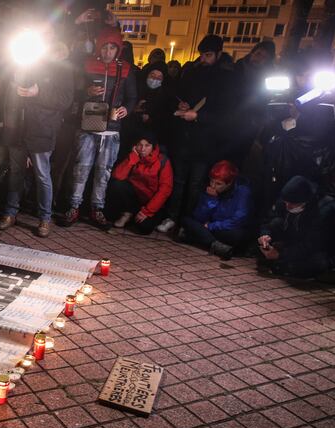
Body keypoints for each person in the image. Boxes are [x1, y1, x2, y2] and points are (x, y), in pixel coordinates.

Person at [156, 34, 234, 233]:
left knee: (196, 184)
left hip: (204, 142)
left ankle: (188, 221)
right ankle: (172, 217)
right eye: (202, 55)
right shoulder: (193, 72)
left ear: (218, 54)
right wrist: (182, 104)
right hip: (184, 139)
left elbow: (225, 113)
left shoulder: (226, 78)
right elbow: (181, 93)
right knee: (179, 181)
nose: (203, 59)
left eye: (208, 55)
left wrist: (198, 116)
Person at [0, 40, 74, 237]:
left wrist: (38, 93)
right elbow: (9, 95)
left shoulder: (63, 71)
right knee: (15, 173)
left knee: (42, 176)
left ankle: (45, 218)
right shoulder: (24, 65)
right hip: (17, 129)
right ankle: (10, 213)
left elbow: (65, 101)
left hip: (42, 129)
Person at [61, 26, 137, 228]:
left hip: (111, 130)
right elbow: (73, 93)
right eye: (105, 47)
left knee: (104, 171)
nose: (108, 52)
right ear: (99, 47)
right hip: (87, 127)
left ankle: (97, 209)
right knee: (81, 169)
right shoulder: (87, 65)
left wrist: (126, 110)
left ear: (118, 49)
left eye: (112, 48)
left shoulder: (126, 69)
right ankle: (74, 207)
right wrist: (87, 91)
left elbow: (132, 97)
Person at [258, 175, 335, 278]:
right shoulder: (286, 198)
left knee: (310, 264)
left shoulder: (324, 210)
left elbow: (312, 244)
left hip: (321, 247)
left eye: (292, 204)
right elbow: (269, 219)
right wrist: (265, 235)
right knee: (276, 223)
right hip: (295, 239)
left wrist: (281, 254)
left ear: (305, 201)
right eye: (286, 203)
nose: (288, 206)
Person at [180, 160, 252, 259]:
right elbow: (199, 217)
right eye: (212, 181)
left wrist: (212, 226)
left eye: (218, 184)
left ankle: (197, 237)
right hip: (211, 226)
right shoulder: (210, 190)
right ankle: (214, 244)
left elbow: (238, 219)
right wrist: (211, 199)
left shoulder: (242, 192)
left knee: (237, 236)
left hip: (227, 228)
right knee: (187, 220)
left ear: (229, 183)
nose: (213, 186)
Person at [103, 132, 172, 234]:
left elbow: (165, 189)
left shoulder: (162, 161)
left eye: (147, 145)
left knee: (144, 229)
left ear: (153, 147)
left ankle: (134, 217)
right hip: (134, 199)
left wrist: (147, 211)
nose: (142, 149)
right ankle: (128, 213)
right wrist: (133, 157)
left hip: (151, 202)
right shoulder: (135, 156)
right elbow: (117, 176)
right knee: (116, 185)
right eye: (140, 145)